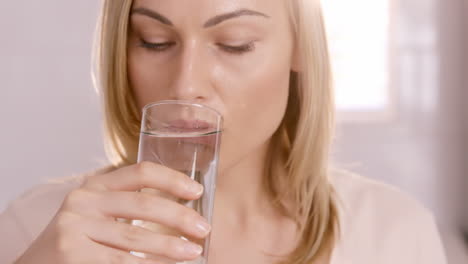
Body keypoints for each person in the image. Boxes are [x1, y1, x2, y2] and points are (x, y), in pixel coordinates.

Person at [0, 0, 447, 263]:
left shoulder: (396, 235)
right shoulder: (39, 229)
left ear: (301, 51)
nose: (186, 85)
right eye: (154, 41)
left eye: (235, 43)